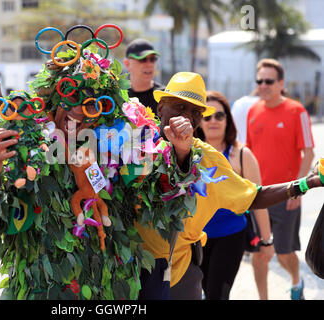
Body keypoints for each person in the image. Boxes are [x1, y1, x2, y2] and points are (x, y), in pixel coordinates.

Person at [135, 71, 323, 300]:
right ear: (161, 108)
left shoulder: (208, 159)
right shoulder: (135, 143)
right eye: (179, 107)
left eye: (195, 112)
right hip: (129, 269)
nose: (186, 117)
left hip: (177, 275)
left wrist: (305, 183)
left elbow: (253, 196)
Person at [246, 58, 315, 300]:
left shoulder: (298, 111)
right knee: (258, 255)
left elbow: (309, 153)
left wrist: (299, 188)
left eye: (269, 81)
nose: (263, 85)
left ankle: (296, 282)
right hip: (258, 197)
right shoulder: (253, 111)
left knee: (284, 253)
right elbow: (248, 153)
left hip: (287, 195)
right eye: (259, 80)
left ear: (281, 83)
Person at [195, 90, 274, 300]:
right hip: (194, 238)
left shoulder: (242, 154)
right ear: (199, 121)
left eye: (220, 116)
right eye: (207, 116)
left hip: (230, 236)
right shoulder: (189, 152)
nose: (213, 121)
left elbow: (259, 199)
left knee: (217, 295)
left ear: (228, 119)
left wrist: (267, 241)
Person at [123, 38, 164, 115]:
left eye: (152, 59)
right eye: (143, 59)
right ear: (127, 64)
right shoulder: (118, 97)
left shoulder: (164, 97)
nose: (149, 64)